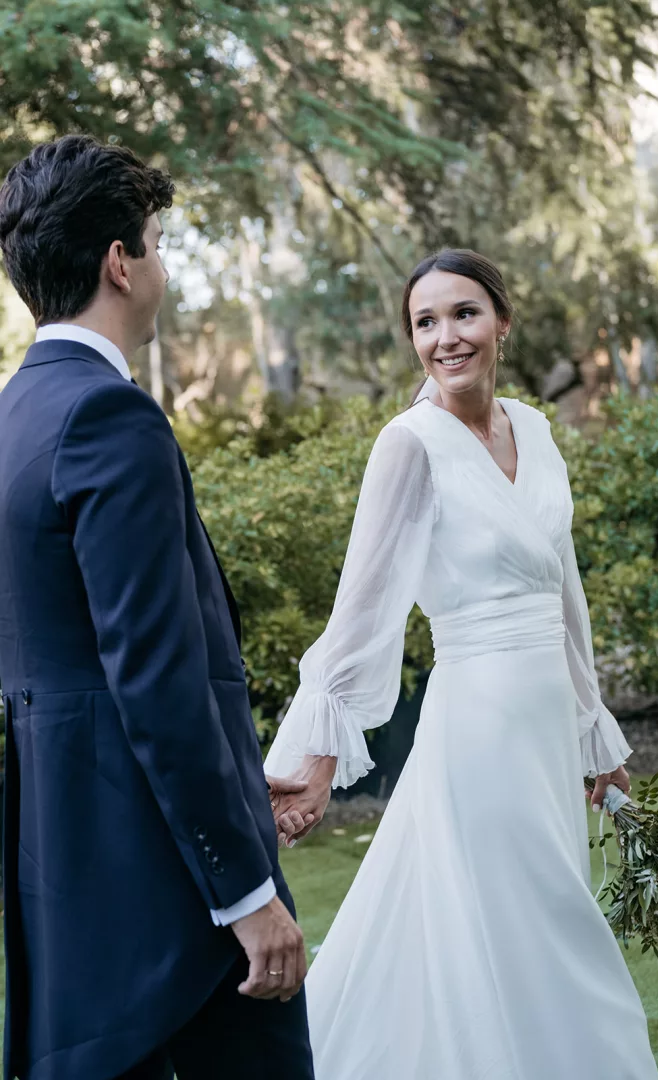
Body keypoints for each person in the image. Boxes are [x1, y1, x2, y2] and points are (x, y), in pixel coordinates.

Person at [264, 249, 658, 1079]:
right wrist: (317, 757)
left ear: (502, 322)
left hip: (547, 724)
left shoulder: (538, 429)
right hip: (474, 724)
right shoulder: (408, 445)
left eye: (464, 314)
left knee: (533, 913)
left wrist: (596, 736)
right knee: (536, 914)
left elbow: (565, 592)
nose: (446, 336)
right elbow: (360, 610)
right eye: (426, 322)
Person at [0, 135, 315, 1080]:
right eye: (159, 242)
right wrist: (245, 891)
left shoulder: (15, 416)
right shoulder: (108, 415)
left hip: (60, 862)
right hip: (166, 889)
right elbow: (155, 677)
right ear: (120, 263)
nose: (164, 266)